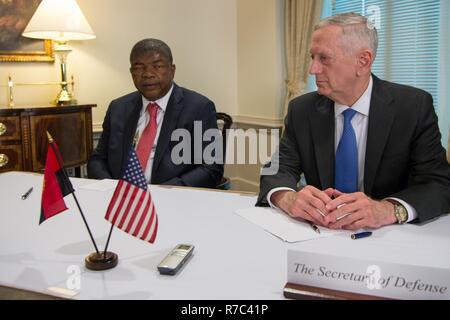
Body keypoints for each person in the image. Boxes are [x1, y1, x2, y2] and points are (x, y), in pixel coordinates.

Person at [256, 13, 450, 230]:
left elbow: (438, 184)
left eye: (324, 58)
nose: (313, 70)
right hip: (319, 234)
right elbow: (277, 170)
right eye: (312, 57)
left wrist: (388, 209)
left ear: (363, 61)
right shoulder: (302, 109)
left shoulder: (412, 107)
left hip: (388, 237)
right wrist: (287, 197)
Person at [88, 38, 223, 188]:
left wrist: (163, 191)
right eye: (139, 68)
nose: (147, 74)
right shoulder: (118, 108)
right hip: (121, 200)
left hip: (173, 200)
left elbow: (211, 169)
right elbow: (97, 160)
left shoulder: (199, 108)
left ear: (172, 70)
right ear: (132, 72)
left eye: (157, 66)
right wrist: (111, 188)